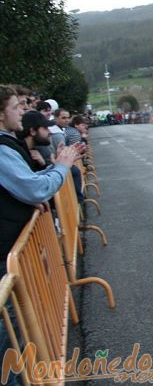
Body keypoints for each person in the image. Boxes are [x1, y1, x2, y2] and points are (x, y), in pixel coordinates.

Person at [0, 86, 80, 385]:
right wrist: (60, 168)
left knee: (17, 332)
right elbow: (33, 187)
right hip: (6, 252)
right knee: (12, 336)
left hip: (10, 248)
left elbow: (26, 187)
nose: (23, 110)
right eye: (16, 106)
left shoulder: (8, 143)